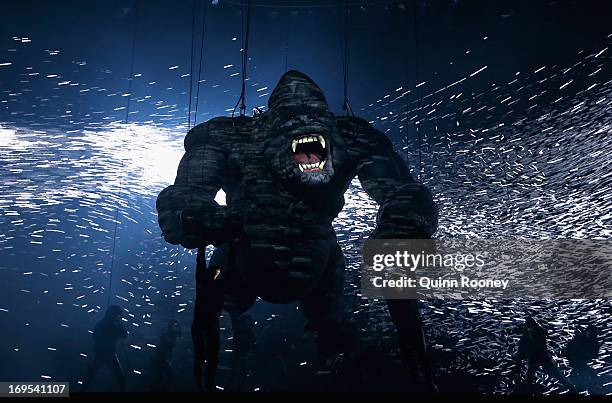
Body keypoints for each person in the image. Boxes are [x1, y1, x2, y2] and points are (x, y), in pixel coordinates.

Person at [157, 70, 439, 391]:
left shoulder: (349, 138)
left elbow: (405, 193)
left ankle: (388, 363)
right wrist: (200, 216)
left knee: (336, 317)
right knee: (227, 300)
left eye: (313, 118)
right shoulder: (231, 137)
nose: (305, 123)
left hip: (314, 255)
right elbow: (185, 195)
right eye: (294, 117)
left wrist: (398, 229)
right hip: (245, 251)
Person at [511, 317, 578, 394]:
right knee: (528, 380)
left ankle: (574, 392)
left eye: (532, 328)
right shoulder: (525, 340)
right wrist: (517, 369)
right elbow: (520, 355)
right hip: (535, 359)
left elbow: (543, 336)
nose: (530, 330)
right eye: (529, 329)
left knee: (559, 377)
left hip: (544, 358)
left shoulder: (540, 334)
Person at [82, 305, 128, 391]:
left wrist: (119, 328)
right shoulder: (102, 325)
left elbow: (125, 335)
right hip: (102, 354)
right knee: (91, 374)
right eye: (118, 315)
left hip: (109, 354)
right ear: (113, 315)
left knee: (119, 376)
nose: (119, 317)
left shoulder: (111, 325)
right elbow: (96, 338)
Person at [566, 324, 602, 393]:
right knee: (585, 372)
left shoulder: (594, 342)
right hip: (575, 358)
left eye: (594, 334)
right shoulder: (579, 339)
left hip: (580, 360)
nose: (593, 335)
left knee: (585, 371)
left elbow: (594, 355)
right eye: (592, 333)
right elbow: (570, 350)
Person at [150, 319, 182, 391]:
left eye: (177, 326)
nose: (176, 327)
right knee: (161, 378)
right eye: (175, 326)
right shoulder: (165, 335)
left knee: (163, 378)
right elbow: (164, 347)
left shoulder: (171, 335)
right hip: (159, 359)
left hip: (162, 359)